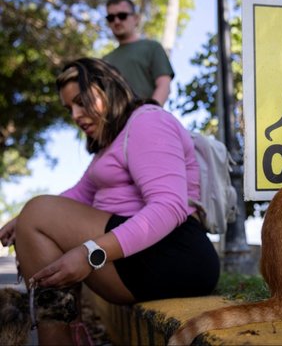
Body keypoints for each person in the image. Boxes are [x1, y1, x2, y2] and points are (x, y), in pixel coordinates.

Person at [0, 58, 220, 345]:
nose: (76, 115)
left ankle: (57, 340)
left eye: (81, 101)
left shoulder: (147, 121)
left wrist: (92, 252)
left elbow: (170, 205)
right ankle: (60, 336)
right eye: (70, 109)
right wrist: (23, 221)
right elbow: (77, 196)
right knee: (35, 212)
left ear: (107, 88)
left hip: (175, 254)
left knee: (37, 211)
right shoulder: (109, 145)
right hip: (137, 257)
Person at [103, 0, 174, 106]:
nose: (116, 21)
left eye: (122, 16)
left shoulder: (152, 47)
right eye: (111, 18)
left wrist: (149, 112)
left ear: (135, 18)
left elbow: (164, 85)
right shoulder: (105, 61)